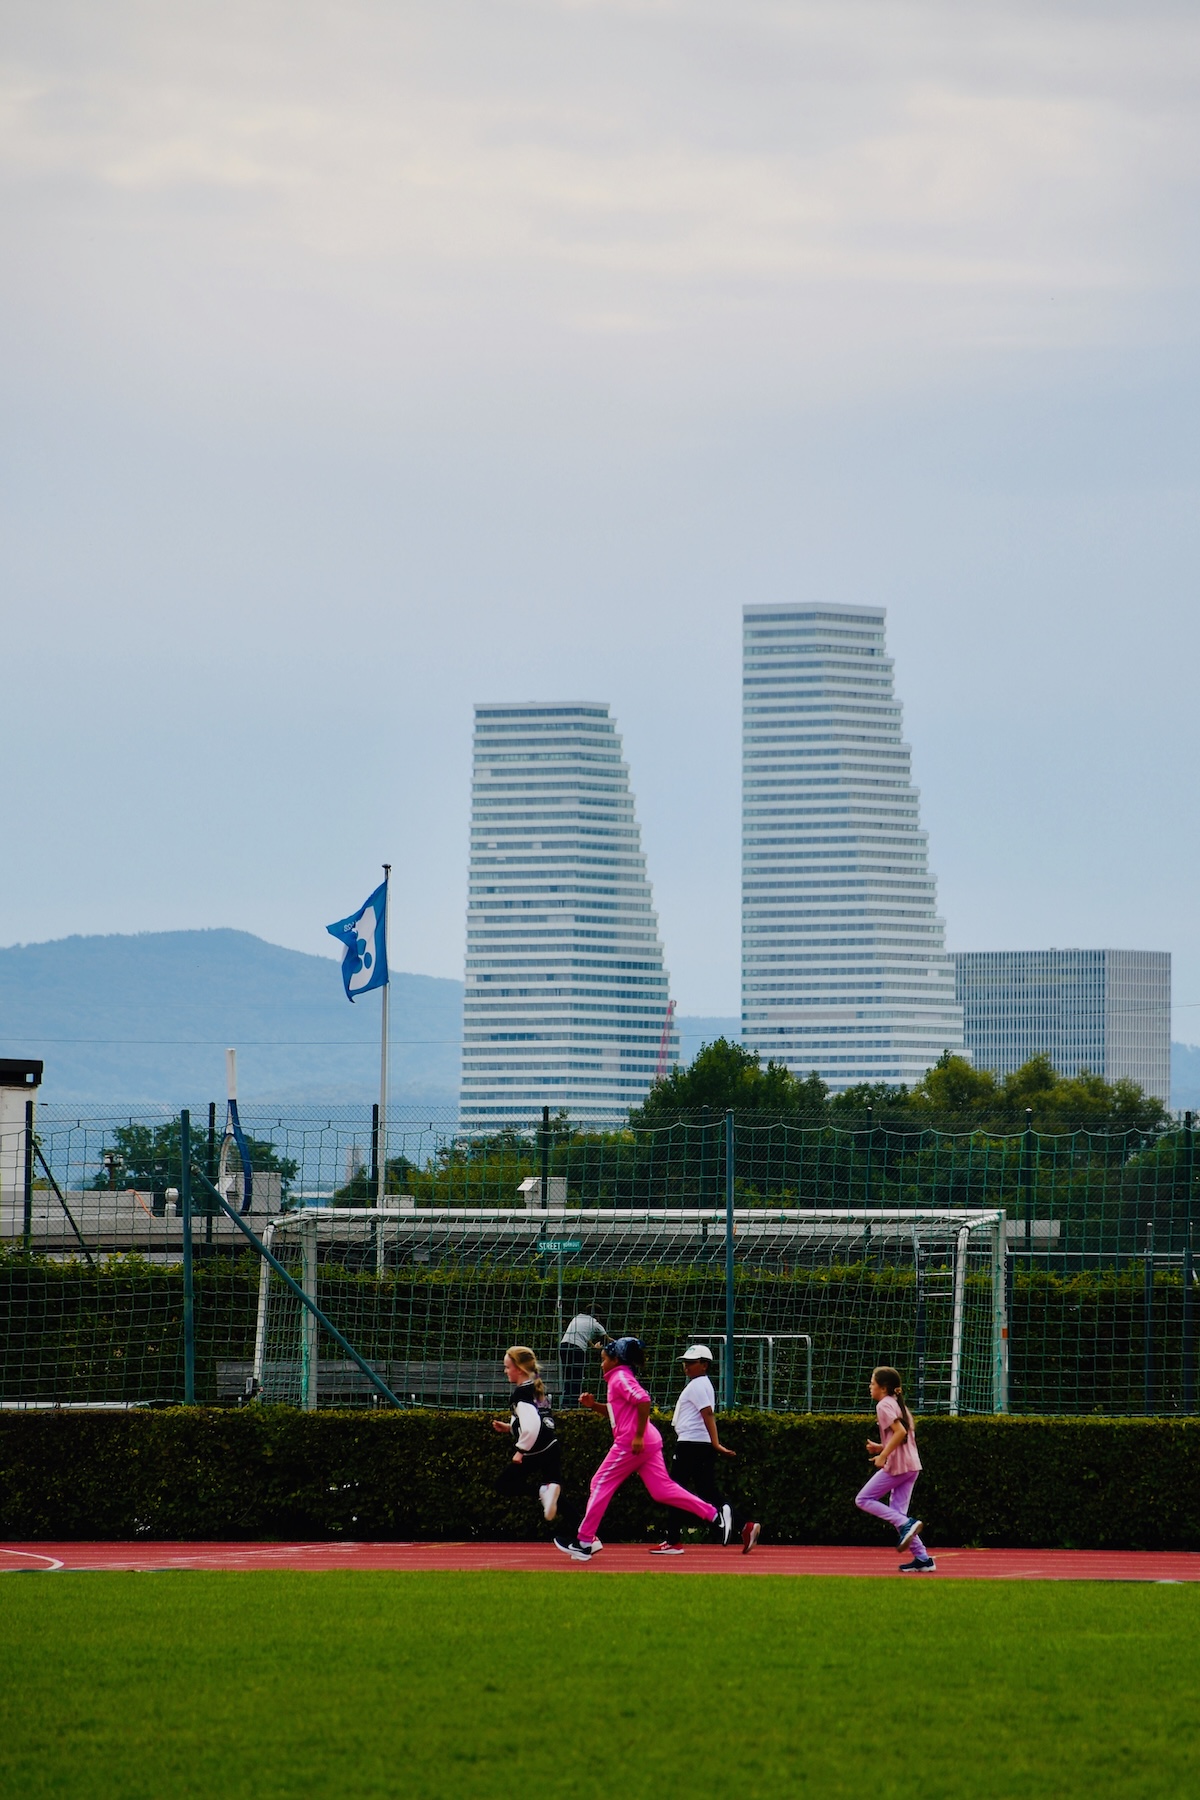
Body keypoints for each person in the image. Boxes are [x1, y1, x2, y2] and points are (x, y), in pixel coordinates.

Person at [553, 1336, 735, 1562]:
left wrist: (637, 1436)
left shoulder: (619, 1377)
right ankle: (713, 1514)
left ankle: (584, 1541)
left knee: (599, 1482)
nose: (601, 1364)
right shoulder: (621, 1377)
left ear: (616, 1359)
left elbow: (643, 1400)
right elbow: (619, 1411)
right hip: (647, 1442)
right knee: (662, 1490)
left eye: (603, 1359)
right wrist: (594, 1406)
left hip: (632, 1443)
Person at [655, 1344, 760, 1556]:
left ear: (704, 1365)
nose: (686, 1366)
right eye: (685, 1362)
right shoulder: (702, 1384)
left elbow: (708, 1414)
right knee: (707, 1491)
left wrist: (716, 1443)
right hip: (698, 1444)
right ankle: (745, 1526)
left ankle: (673, 1540)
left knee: (673, 1490)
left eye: (692, 1363)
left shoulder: (697, 1386)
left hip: (690, 1444)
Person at [854, 1365, 935, 1573]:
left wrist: (883, 1455)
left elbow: (899, 1432)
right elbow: (904, 1439)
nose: (870, 1386)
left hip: (898, 1467)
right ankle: (923, 1559)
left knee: (863, 1499)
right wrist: (881, 1447)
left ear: (883, 1387)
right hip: (911, 1466)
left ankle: (907, 1523)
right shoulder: (899, 1404)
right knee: (898, 1514)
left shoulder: (883, 1406)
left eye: (872, 1383)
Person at [492, 1346, 579, 1540]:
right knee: (557, 1497)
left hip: (535, 1450)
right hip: (551, 1447)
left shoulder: (520, 1394)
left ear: (520, 1369)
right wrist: (509, 1427)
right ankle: (587, 1537)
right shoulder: (534, 1387)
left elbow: (531, 1427)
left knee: (503, 1485)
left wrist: (519, 1450)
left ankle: (542, 1490)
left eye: (507, 1367)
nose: (505, 1371)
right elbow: (536, 1420)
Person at [558, 1313, 606, 1409]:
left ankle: (565, 1405)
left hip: (564, 1346)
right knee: (577, 1377)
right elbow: (606, 1339)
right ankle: (572, 1406)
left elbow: (584, 1337)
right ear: (598, 1316)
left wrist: (593, 1346)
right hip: (577, 1349)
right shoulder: (595, 1323)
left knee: (568, 1377)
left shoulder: (577, 1318)